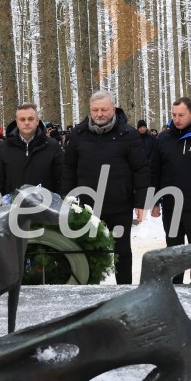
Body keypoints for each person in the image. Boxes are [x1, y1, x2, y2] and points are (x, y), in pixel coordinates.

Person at [61, 91, 150, 284]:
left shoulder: (129, 134)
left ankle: (124, 290)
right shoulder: (78, 134)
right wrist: (67, 198)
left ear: (114, 109)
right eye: (95, 110)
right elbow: (69, 168)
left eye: (104, 109)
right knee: (88, 253)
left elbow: (141, 169)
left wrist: (141, 201)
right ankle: (90, 291)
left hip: (120, 205)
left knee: (122, 252)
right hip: (88, 207)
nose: (99, 114)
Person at [150, 97, 191, 285]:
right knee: (173, 249)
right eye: (174, 115)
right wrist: (154, 201)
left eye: (181, 115)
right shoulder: (163, 139)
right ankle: (175, 285)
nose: (177, 119)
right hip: (171, 205)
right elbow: (154, 171)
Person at [0, 102, 63, 195]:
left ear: (37, 121)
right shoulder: (3, 148)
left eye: (30, 119)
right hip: (13, 202)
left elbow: (61, 179)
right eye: (22, 119)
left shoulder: (52, 146)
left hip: (46, 202)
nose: (27, 123)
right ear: (17, 122)